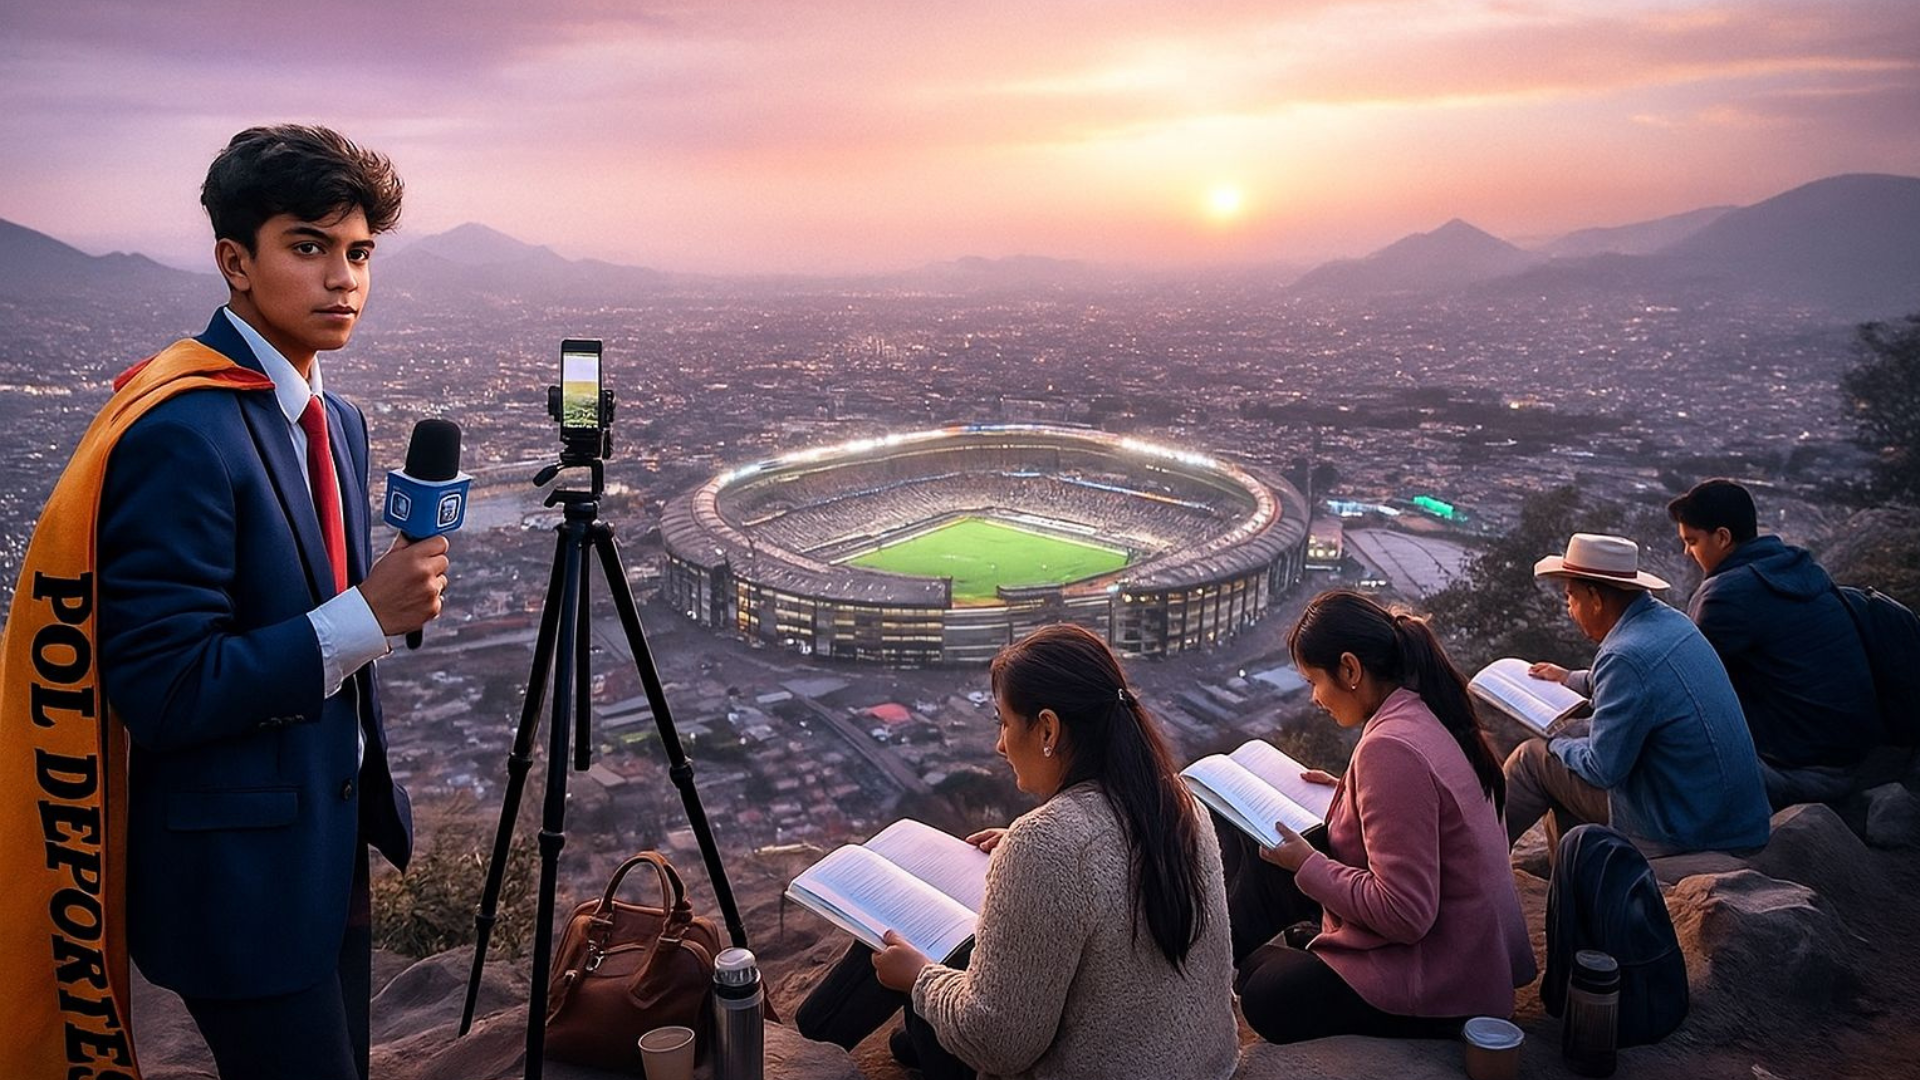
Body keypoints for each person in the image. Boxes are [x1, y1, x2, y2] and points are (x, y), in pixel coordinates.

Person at [1, 125, 448, 1080]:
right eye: (308, 246)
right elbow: (162, 688)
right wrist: (369, 616)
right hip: (239, 882)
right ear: (234, 262)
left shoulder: (339, 418)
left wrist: (379, 615)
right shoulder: (180, 431)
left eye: (359, 252)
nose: (344, 279)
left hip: (329, 850)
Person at [797, 623, 1237, 1080]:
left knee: (904, 942)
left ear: (1047, 727)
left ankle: (801, 1051)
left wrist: (918, 980)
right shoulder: (1178, 802)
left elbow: (1000, 1046)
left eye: (1005, 723)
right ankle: (872, 1041)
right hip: (1205, 1064)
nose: (1000, 744)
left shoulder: (1047, 843)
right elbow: (1110, 876)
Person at [1222, 591, 1534, 1044]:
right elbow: (1417, 810)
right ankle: (1228, 955)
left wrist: (1307, 864)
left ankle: (1209, 963)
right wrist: (1349, 792)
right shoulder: (1426, 711)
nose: (1314, 698)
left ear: (1349, 669)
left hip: (1447, 982)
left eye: (1314, 681)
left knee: (1262, 986)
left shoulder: (1390, 749)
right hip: (1472, 956)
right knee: (1261, 859)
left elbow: (1406, 914)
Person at [1506, 533, 1769, 858]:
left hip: (1686, 827)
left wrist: (1554, 742)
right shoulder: (1670, 623)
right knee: (1572, 741)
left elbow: (1602, 769)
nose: (1570, 610)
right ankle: (1575, 870)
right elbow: (1642, 683)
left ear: (1595, 597)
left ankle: (1477, 863)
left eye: (1571, 598)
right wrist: (1570, 679)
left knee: (1532, 759)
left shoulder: (1623, 656)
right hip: (1725, 813)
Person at [1667, 478, 1883, 806]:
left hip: (1795, 772)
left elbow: (1676, 684)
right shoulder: (1798, 568)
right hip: (1850, 758)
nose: (1687, 552)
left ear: (1723, 537)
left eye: (1692, 541)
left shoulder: (1728, 594)